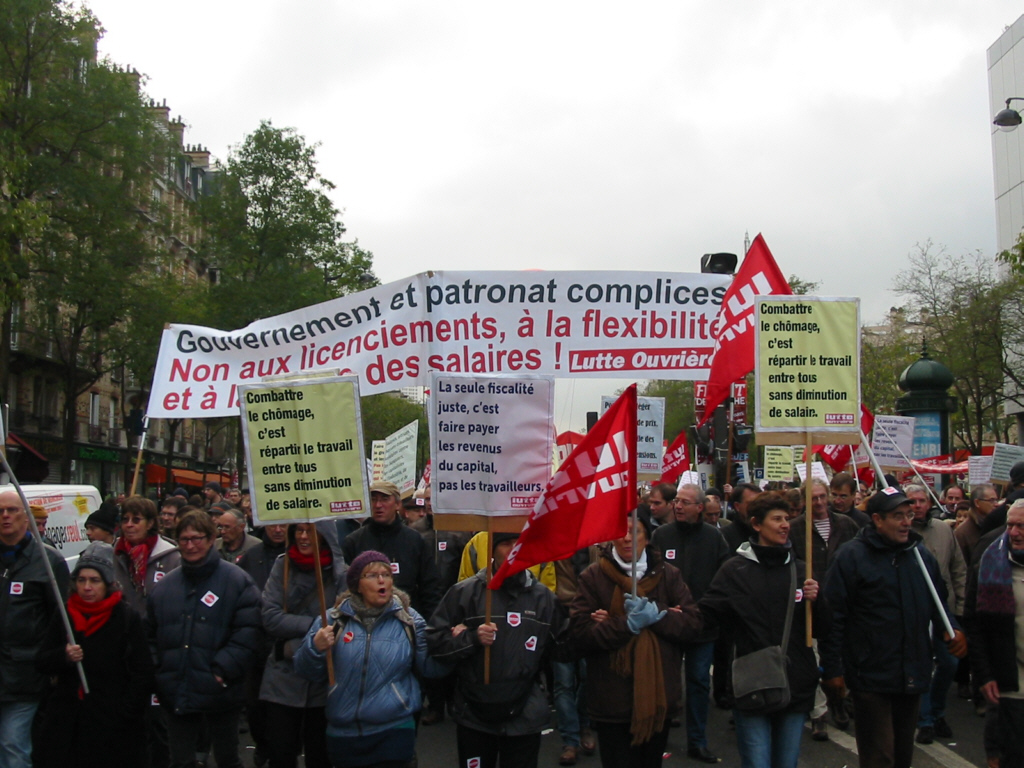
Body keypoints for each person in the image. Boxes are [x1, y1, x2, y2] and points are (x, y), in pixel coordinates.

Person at [820, 486, 968, 768]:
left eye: (909, 515)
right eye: (898, 516)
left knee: (902, 755)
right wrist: (833, 669)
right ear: (877, 519)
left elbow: (938, 603)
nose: (906, 522)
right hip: (870, 672)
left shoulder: (920, 557)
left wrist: (952, 628)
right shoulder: (851, 557)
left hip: (912, 670)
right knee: (880, 757)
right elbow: (833, 617)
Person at [699, 492, 825, 768]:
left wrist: (818, 600)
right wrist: (666, 617)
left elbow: (822, 627)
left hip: (794, 684)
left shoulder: (801, 571)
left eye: (787, 519)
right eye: (777, 519)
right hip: (753, 683)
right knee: (757, 763)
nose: (785, 525)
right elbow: (705, 616)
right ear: (756, 524)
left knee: (787, 763)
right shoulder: (735, 570)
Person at [570, 519, 703, 767]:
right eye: (620, 531)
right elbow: (581, 633)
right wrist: (625, 624)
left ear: (647, 537)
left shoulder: (668, 575)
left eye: (635, 531)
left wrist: (657, 614)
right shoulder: (594, 576)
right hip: (612, 699)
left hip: (658, 694)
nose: (627, 538)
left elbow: (692, 624)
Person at [427, 533, 567, 768]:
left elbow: (564, 647)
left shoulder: (543, 598)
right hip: (474, 715)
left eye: (519, 543)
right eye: (505, 543)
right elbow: (435, 642)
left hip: (525, 713)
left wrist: (595, 625)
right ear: (492, 550)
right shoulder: (465, 593)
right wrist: (471, 638)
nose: (513, 549)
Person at [295, 550, 441, 768]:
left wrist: (459, 643)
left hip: (394, 730)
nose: (382, 580)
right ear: (357, 584)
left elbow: (430, 668)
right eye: (372, 575)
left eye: (387, 574)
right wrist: (315, 647)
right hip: (344, 733)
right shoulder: (332, 621)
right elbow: (306, 670)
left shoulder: (409, 620)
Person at [147, 510, 263, 768]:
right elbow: (150, 635)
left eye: (196, 538)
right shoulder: (165, 587)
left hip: (221, 691)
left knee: (226, 758)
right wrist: (160, 671)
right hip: (177, 688)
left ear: (211, 539)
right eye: (184, 539)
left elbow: (248, 631)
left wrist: (223, 669)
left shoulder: (236, 581)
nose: (190, 545)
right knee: (181, 760)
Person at [34, 541, 155, 768]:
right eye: (81, 580)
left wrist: (125, 713)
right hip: (69, 724)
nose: (87, 587)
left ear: (107, 584)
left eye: (94, 581)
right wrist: (64, 656)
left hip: (113, 726)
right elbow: (42, 660)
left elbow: (143, 672)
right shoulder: (65, 615)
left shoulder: (126, 618)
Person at [651, 484, 730, 762]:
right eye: (677, 502)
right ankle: (655, 739)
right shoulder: (661, 535)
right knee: (663, 682)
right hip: (667, 623)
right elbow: (650, 575)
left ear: (700, 508)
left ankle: (697, 740)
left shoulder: (714, 538)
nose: (678, 506)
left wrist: (704, 610)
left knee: (698, 682)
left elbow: (724, 579)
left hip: (701, 626)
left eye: (685, 502)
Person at [260, 524, 345, 768]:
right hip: (282, 680)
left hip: (323, 681)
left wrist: (294, 645)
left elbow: (340, 625)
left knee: (320, 757)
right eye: (298, 530)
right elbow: (270, 617)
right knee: (280, 754)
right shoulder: (282, 565)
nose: (303, 536)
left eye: (310, 530)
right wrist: (315, 630)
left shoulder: (341, 573)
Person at [0, 489, 70, 768]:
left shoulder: (48, 562)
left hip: (24, 675)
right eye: (0, 511)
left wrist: (54, 664)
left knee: (13, 745)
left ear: (26, 517)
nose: (5, 516)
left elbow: (61, 618)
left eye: (12, 510)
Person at [788, 478, 859, 738]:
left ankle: (840, 702)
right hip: (811, 602)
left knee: (842, 656)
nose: (818, 502)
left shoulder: (846, 524)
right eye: (812, 498)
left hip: (843, 601)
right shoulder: (795, 528)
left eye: (821, 496)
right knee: (814, 658)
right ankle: (819, 712)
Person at [967, 499, 1024, 768]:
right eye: (1010, 525)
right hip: (1011, 682)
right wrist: (984, 674)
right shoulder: (988, 565)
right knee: (1012, 755)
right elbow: (975, 625)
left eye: (1021, 526)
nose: (1014, 533)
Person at [342, 481, 443, 620]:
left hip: (407, 621)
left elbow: (430, 588)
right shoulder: (354, 542)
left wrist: (429, 627)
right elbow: (346, 589)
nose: (378, 505)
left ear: (397, 504)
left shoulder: (415, 541)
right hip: (364, 623)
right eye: (373, 499)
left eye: (384, 499)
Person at [113, 495, 182, 617]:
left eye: (136, 520)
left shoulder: (171, 557)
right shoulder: (114, 553)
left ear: (149, 524)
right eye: (125, 519)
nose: (129, 525)